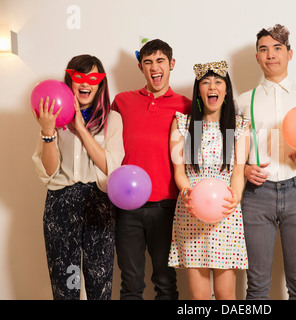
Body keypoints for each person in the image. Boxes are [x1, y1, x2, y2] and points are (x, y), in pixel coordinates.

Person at [235, 24, 296, 300]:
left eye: (277, 48)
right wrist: (246, 168)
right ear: (257, 57)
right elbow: (233, 154)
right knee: (257, 287)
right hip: (256, 196)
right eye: (264, 49)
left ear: (290, 53)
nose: (270, 55)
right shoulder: (241, 102)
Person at [32, 54, 125, 299]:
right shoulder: (52, 115)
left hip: (99, 203)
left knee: (100, 282)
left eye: (93, 78)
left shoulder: (112, 120)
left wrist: (81, 129)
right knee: (65, 284)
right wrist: (48, 132)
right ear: (69, 80)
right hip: (61, 202)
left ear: (100, 83)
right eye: (80, 77)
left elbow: (110, 167)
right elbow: (50, 171)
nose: (86, 84)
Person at [112, 39, 191, 300]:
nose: (155, 68)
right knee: (131, 284)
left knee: (165, 282)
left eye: (160, 61)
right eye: (148, 62)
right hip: (127, 206)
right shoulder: (122, 102)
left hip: (167, 206)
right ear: (140, 67)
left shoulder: (188, 106)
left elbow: (203, 150)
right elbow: (105, 144)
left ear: (171, 64)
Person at [168, 61, 249, 300]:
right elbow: (180, 171)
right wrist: (187, 192)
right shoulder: (183, 124)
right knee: (199, 298)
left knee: (226, 296)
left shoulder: (239, 126)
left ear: (226, 90)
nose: (211, 86)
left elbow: (238, 172)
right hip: (191, 212)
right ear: (198, 91)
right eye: (205, 82)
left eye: (218, 82)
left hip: (226, 214)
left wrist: (235, 198)